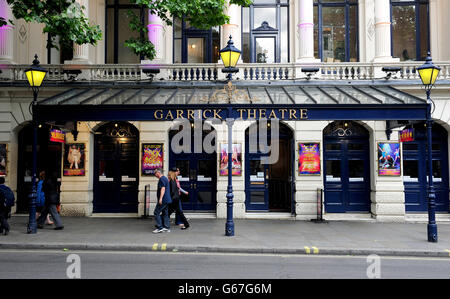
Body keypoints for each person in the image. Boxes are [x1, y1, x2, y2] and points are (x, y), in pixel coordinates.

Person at [153, 169, 172, 233]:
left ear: (158, 172)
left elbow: (163, 189)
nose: (155, 175)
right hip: (167, 199)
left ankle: (160, 227)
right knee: (165, 213)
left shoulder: (161, 179)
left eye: (155, 173)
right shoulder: (165, 178)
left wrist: (160, 198)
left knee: (156, 212)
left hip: (163, 200)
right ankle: (166, 227)